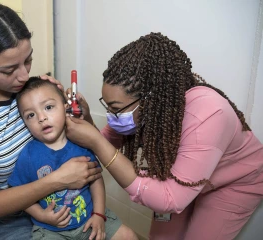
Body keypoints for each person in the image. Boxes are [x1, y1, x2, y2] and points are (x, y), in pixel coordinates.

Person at [65, 32, 263, 240]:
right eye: (108, 106)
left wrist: (96, 141)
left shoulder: (209, 114)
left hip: (232, 182)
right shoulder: (141, 109)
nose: (111, 116)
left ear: (150, 99)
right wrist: (86, 120)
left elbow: (171, 199)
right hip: (179, 178)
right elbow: (104, 145)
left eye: (115, 109)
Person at [0, 2, 103, 239]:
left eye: (28, 60)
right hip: (16, 221)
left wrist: (84, 115)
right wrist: (57, 180)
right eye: (8, 70)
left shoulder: (34, 92)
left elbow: (87, 144)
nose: (24, 76)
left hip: (71, 200)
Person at [8, 77, 137, 240]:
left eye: (48, 107)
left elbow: (96, 180)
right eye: (31, 115)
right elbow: (20, 194)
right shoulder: (27, 155)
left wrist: (98, 214)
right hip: (51, 230)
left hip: (89, 220)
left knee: (128, 236)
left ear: (65, 108)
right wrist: (41, 215)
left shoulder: (81, 143)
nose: (41, 118)